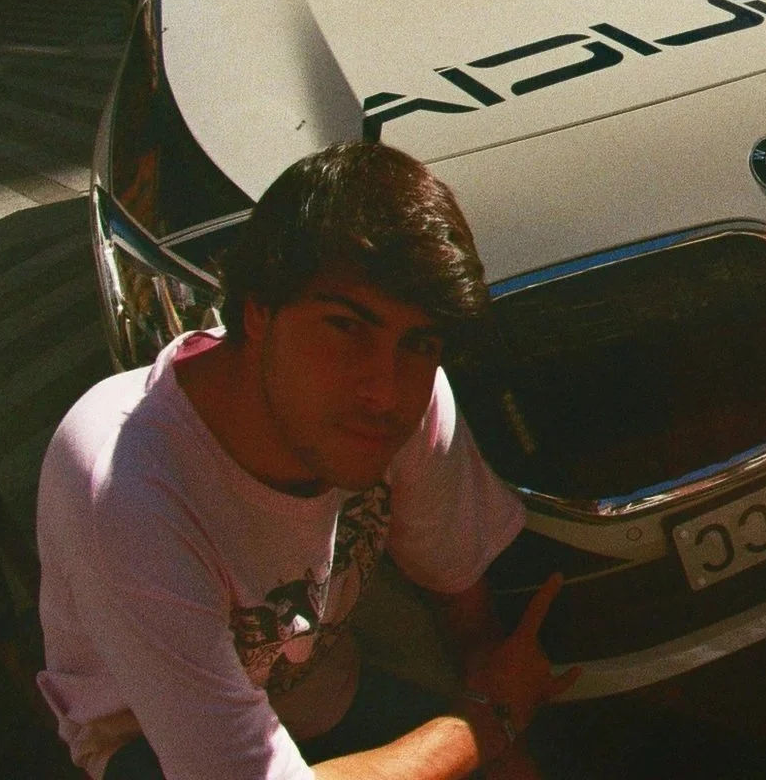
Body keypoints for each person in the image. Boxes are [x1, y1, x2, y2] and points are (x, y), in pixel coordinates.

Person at [38, 142, 573, 780]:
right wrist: (487, 722)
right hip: (155, 746)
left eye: (417, 342)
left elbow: (462, 603)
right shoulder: (125, 486)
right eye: (346, 327)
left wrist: (503, 739)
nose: (383, 389)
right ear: (259, 312)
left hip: (323, 700)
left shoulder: (410, 399)